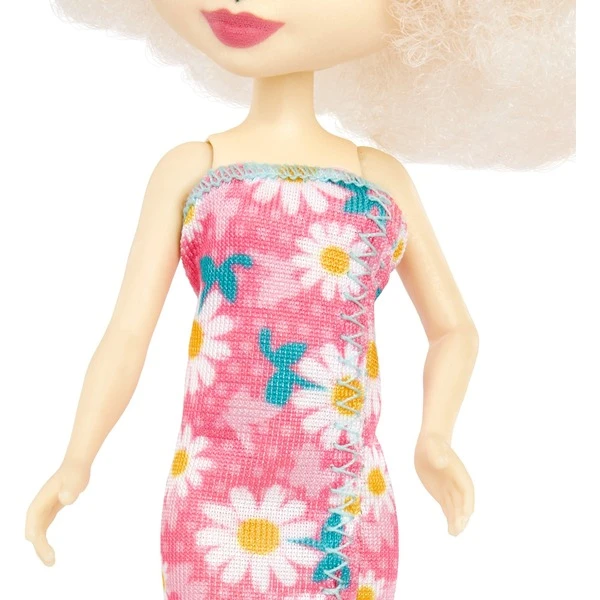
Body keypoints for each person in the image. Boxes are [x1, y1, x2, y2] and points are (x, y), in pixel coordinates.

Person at [25, 1, 575, 598]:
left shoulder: (378, 178)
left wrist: (435, 437)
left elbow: (453, 330)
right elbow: (128, 334)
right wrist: (77, 457)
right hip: (215, 507)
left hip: (346, 500)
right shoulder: (193, 168)